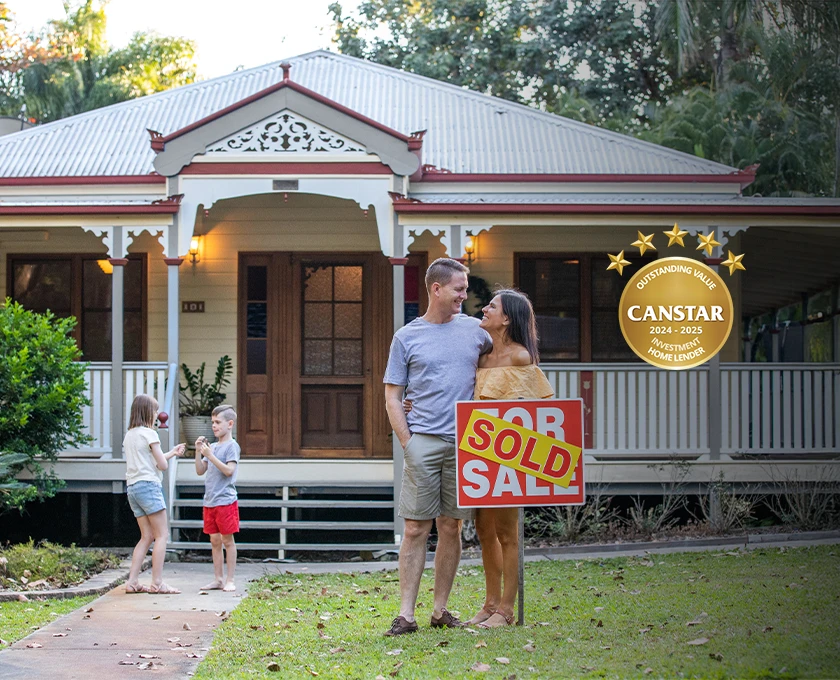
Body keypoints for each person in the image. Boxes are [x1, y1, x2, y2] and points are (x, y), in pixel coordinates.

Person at [405, 289, 553, 628]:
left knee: (507, 533)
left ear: (507, 318)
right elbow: (455, 393)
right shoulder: (481, 357)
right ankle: (489, 604)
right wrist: (415, 404)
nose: (483, 309)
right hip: (479, 457)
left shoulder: (520, 358)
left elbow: (536, 410)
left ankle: (506, 609)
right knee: (484, 531)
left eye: (492, 307)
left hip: (509, 457)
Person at [382, 257, 493, 636]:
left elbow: (503, 368)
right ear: (437, 289)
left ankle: (440, 610)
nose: (466, 294)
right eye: (460, 289)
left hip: (466, 444)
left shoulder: (477, 332)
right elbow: (393, 397)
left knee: (451, 526)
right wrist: (408, 444)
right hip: (423, 443)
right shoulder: (407, 336)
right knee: (415, 527)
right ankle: (406, 615)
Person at [123, 394, 186, 595]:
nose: (157, 415)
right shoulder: (150, 434)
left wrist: (172, 452)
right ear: (147, 412)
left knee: (146, 536)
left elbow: (150, 461)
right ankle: (157, 583)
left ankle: (132, 581)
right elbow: (162, 465)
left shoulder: (130, 435)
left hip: (133, 488)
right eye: (154, 410)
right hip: (149, 486)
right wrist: (167, 457)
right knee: (161, 535)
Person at [194, 404, 241, 592]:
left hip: (226, 500)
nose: (214, 426)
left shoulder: (232, 446)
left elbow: (229, 471)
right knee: (214, 540)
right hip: (210, 500)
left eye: (218, 422)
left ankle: (230, 579)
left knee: (227, 540)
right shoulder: (211, 446)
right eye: (212, 422)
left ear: (230, 424)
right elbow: (200, 470)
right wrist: (199, 452)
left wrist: (210, 456)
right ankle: (218, 579)